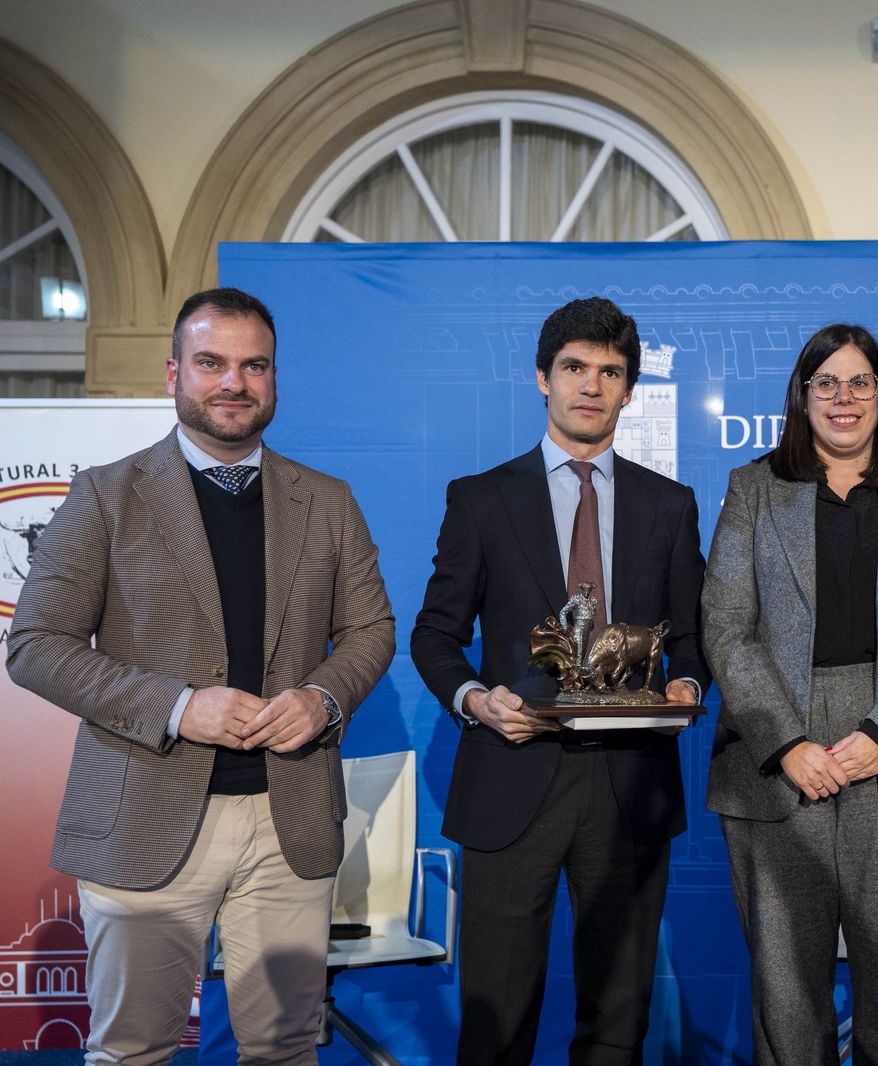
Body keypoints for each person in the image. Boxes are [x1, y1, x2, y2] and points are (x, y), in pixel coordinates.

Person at [6, 287, 396, 1063]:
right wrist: (178, 706)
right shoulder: (105, 496)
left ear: (275, 379)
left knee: (285, 1047)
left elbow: (370, 630)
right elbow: (36, 644)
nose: (234, 383)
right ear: (173, 372)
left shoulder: (328, 501)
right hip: (143, 816)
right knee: (133, 1050)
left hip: (291, 822)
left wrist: (322, 699)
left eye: (255, 366)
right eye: (212, 363)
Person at [411, 296, 709, 1064]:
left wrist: (689, 686)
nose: (591, 385)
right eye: (575, 367)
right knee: (496, 1024)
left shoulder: (669, 505)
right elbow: (435, 636)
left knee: (617, 1028)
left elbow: (694, 636)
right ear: (542, 377)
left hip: (632, 788)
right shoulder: (480, 499)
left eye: (611, 372)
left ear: (628, 390)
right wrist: (475, 699)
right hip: (512, 776)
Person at [702, 323, 878, 1064]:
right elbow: (725, 627)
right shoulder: (752, 490)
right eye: (825, 383)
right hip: (775, 757)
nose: (843, 398)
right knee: (786, 999)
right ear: (801, 398)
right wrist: (788, 743)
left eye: (860, 382)